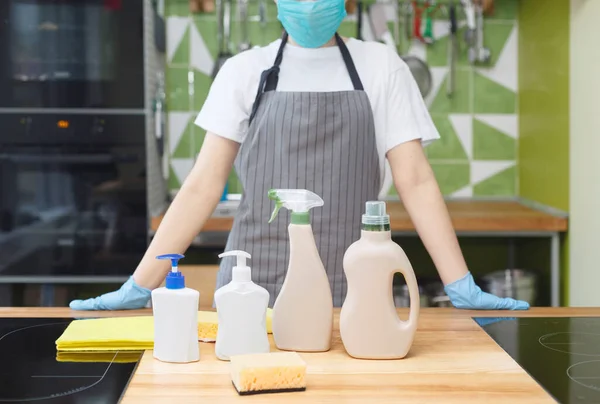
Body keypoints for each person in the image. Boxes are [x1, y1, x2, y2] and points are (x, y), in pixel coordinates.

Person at [69, 0, 529, 311]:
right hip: (251, 291)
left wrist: (460, 284)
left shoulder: (382, 65)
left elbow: (416, 180)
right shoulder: (243, 71)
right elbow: (201, 186)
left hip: (355, 289)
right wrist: (139, 284)